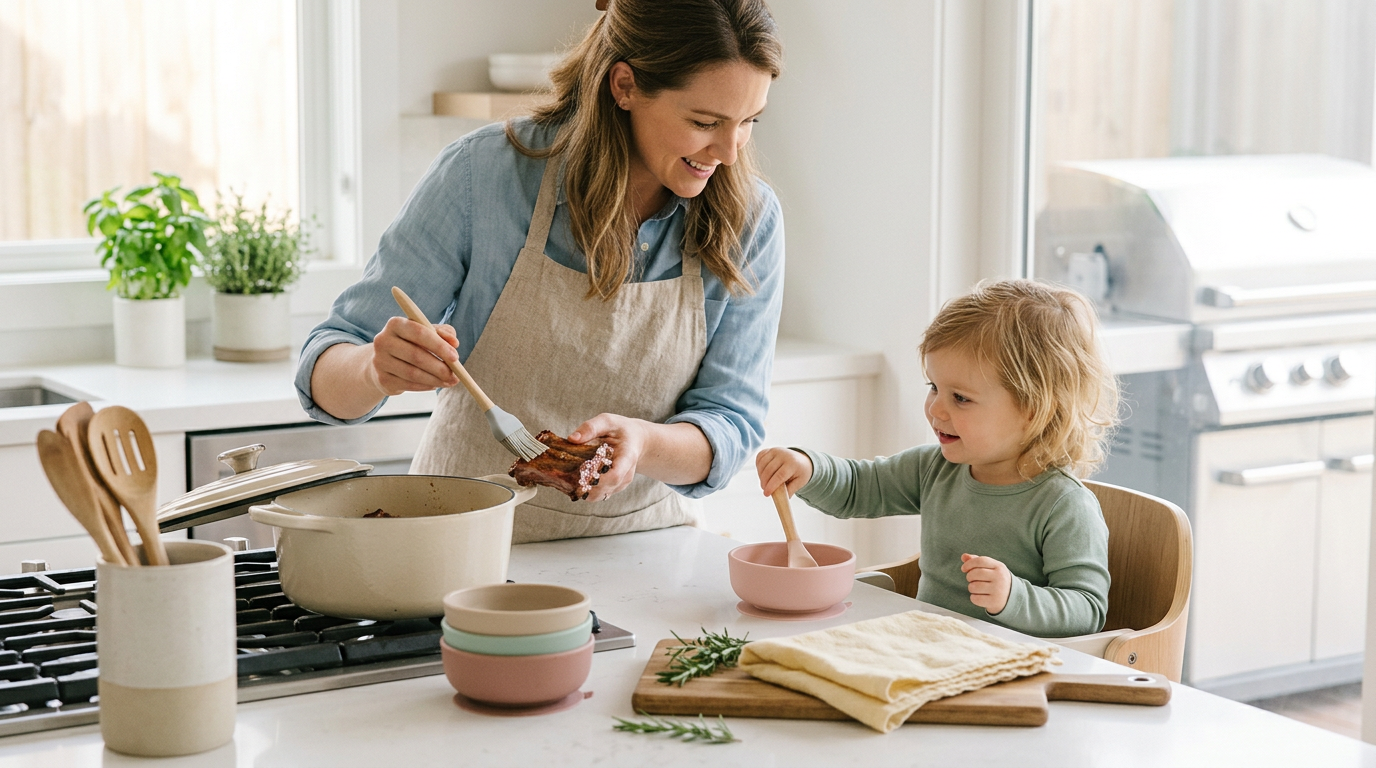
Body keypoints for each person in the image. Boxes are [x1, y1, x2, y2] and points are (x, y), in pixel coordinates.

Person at [296, 0, 785, 543]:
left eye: (748, 123)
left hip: (644, 548)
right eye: (704, 122)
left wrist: (643, 444)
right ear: (624, 86)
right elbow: (325, 370)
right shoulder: (485, 175)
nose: (729, 151)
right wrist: (373, 370)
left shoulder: (751, 220)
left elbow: (731, 422)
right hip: (463, 545)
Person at [756, 280, 1119, 638]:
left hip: (1007, 671)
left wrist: (1013, 596)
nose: (935, 409)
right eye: (933, 387)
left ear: (1033, 410)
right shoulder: (937, 468)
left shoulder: (1064, 505)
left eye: (960, 397)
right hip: (929, 648)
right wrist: (809, 468)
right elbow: (859, 487)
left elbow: (1086, 609)